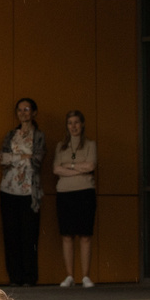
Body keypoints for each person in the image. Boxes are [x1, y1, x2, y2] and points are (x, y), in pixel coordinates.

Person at [0, 98, 47, 289]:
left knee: (29, 234)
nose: (23, 113)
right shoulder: (11, 134)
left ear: (34, 112)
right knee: (11, 234)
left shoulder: (39, 135)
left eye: (27, 109)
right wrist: (24, 157)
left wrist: (15, 159)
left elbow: (38, 160)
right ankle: (14, 276)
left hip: (29, 191)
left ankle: (29, 277)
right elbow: (2, 158)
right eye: (20, 110)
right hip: (8, 189)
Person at [53, 109, 97, 288]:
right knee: (67, 235)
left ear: (82, 124)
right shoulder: (60, 146)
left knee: (85, 235)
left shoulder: (90, 144)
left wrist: (68, 166)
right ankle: (69, 275)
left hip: (85, 191)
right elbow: (56, 169)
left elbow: (91, 165)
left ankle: (85, 276)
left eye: (76, 122)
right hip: (64, 193)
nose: (74, 126)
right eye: (70, 123)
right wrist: (78, 167)